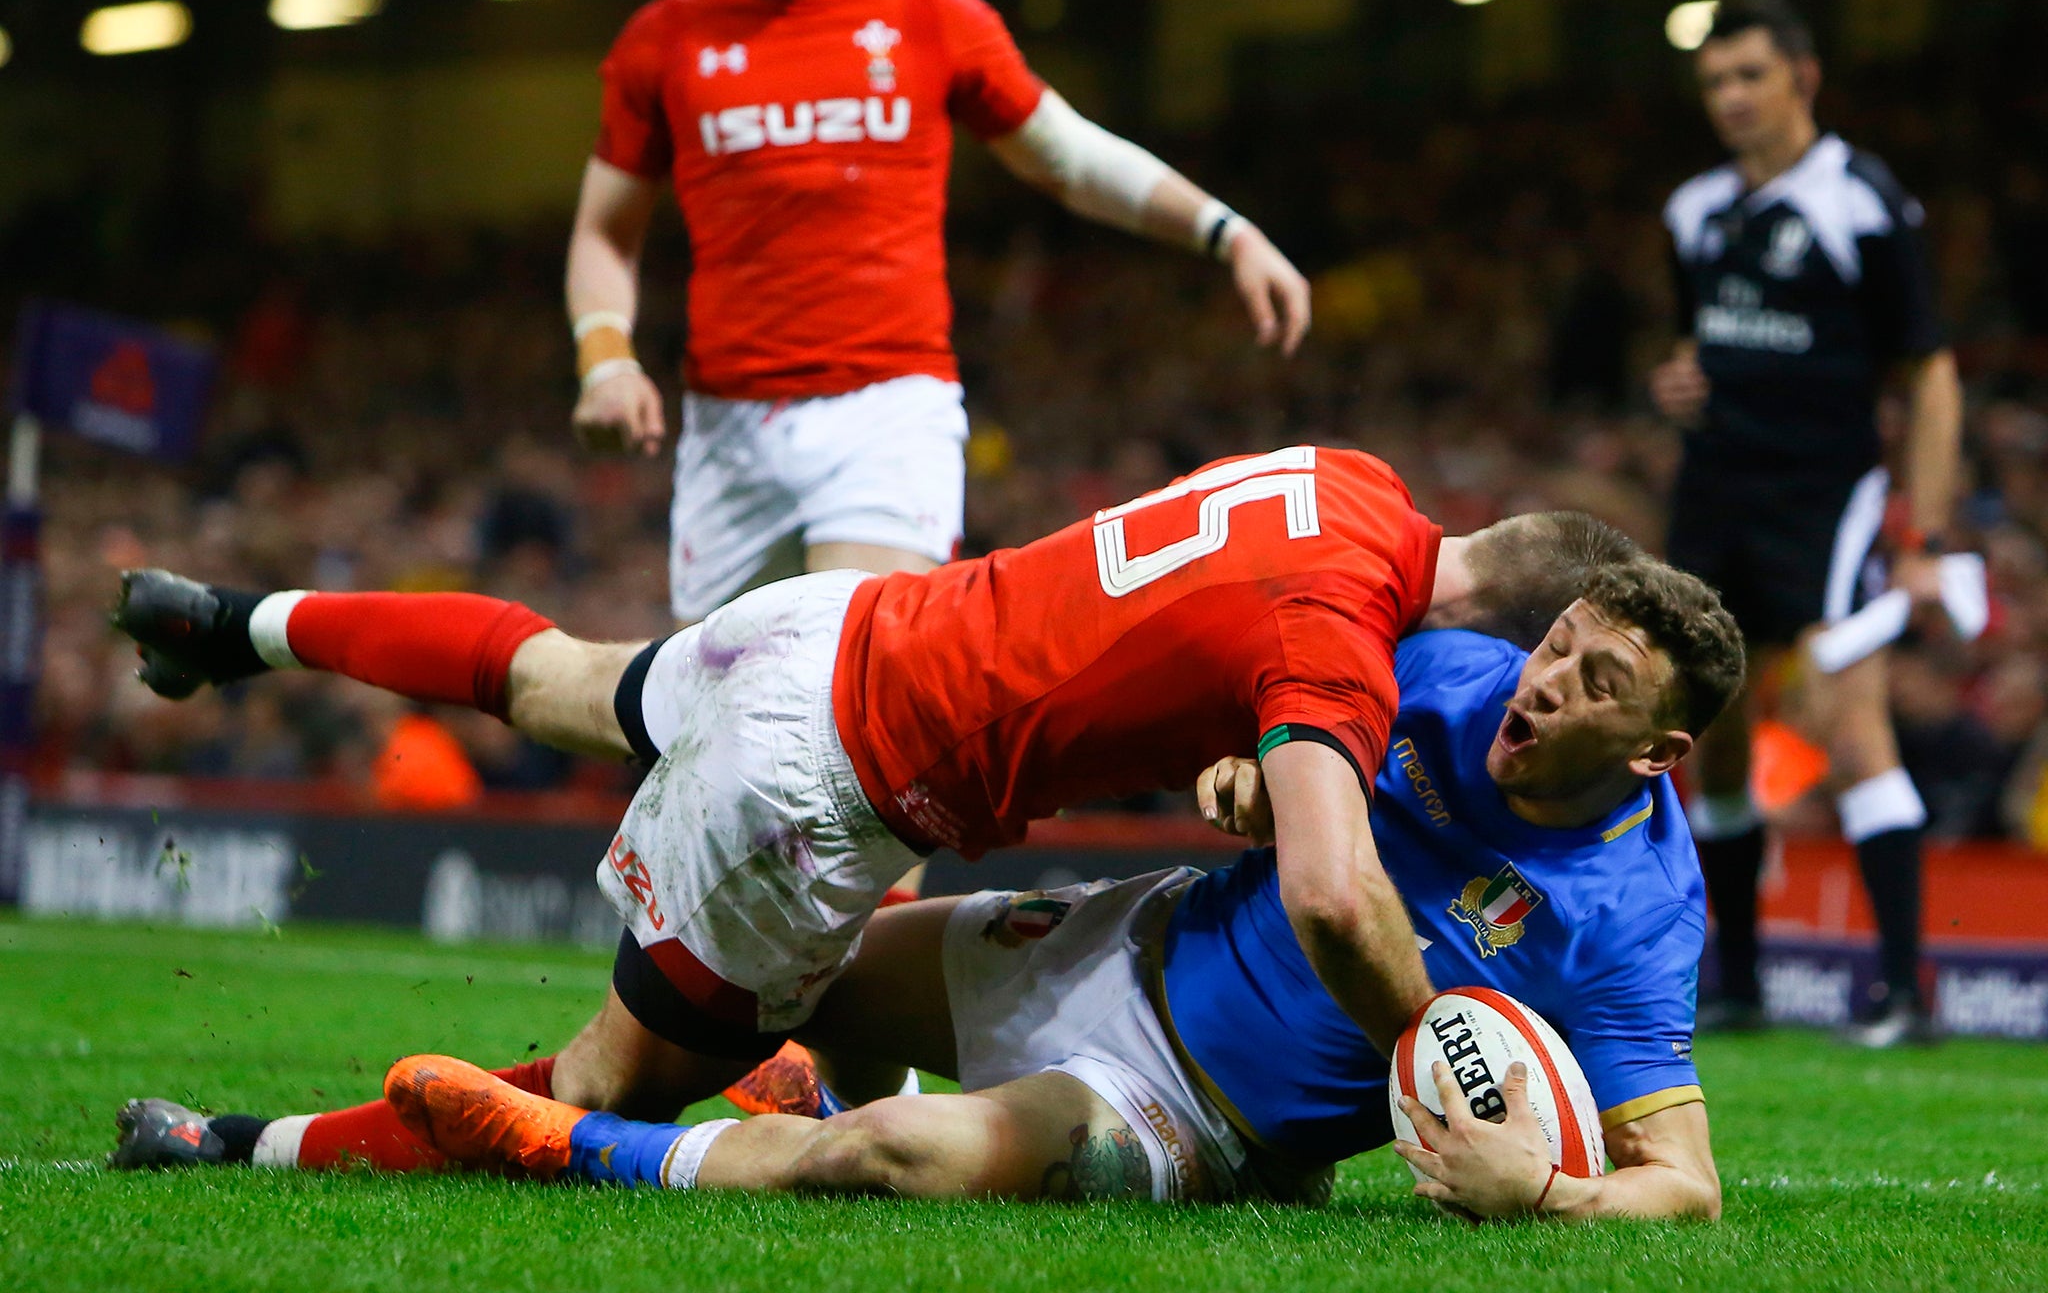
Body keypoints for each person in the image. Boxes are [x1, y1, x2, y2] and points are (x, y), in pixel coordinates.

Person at [114, 562, 1740, 1221]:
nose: (1540, 685)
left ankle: (500, 1144)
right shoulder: (1443, 669)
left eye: (1593, 684)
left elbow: (1685, 1177)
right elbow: (1278, 763)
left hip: (1180, 1113)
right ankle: (683, 1090)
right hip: (1121, 933)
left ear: (1656, 747)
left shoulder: (1635, 914)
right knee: (767, 986)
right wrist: (1248, 772)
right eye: (1556, 645)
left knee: (892, 1150)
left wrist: (1550, 1195)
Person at [112, 450, 1667, 1119]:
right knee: (600, 1095)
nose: (1530, 699)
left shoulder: (1350, 487)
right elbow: (1334, 895)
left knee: (555, 677)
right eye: (1557, 663)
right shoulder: (1345, 651)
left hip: (843, 622)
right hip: (837, 774)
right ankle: (250, 1140)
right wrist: (1439, 1054)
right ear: (1527, 630)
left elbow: (1196, 627)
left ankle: (234, 625)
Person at [566, 0, 1312, 624]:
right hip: (729, 429)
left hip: (889, 409)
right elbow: (604, 233)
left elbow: (1068, 158)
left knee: (852, 663)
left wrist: (1229, 232)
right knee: (722, 706)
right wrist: (607, 358)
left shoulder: (930, 16)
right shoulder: (662, 43)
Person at [1650, 0, 1963, 1046]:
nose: (1729, 99)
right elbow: (1701, 347)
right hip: (1712, 501)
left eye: (1748, 76)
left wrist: (1918, 532)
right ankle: (1736, 984)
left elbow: (1926, 373)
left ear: (1802, 77)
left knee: (1842, 720)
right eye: (1712, 83)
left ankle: (1903, 992)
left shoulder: (1861, 204)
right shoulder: (1691, 213)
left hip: (1822, 503)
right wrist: (1682, 382)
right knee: (1714, 737)